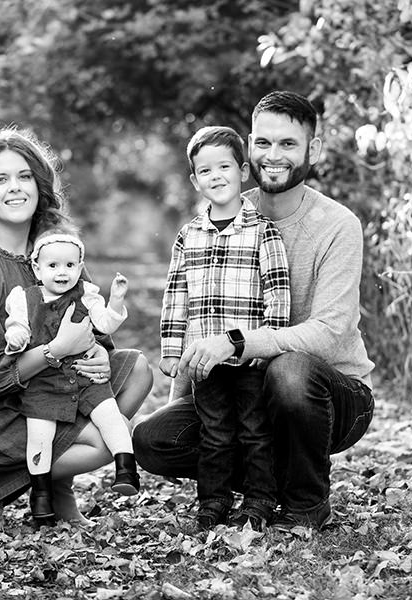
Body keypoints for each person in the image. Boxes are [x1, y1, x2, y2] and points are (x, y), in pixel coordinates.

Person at [134, 90, 375, 532]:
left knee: (290, 371)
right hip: (235, 389)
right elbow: (199, 305)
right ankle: (265, 486)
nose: (274, 155)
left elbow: (330, 331)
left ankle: (305, 504)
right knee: (154, 439)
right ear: (249, 147)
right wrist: (188, 386)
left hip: (328, 398)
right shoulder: (224, 211)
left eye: (288, 144)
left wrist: (238, 343)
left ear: (313, 150)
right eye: (263, 143)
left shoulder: (337, 225)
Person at [0, 126, 152, 525]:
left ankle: (53, 486)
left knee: (139, 372)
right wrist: (56, 351)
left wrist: (96, 353)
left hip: (45, 388)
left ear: (40, 185)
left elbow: (90, 323)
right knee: (102, 444)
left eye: (24, 176)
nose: (15, 188)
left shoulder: (55, 251)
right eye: (0, 179)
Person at [159, 126, 290, 530]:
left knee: (255, 431)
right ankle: (212, 501)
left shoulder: (262, 231)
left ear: (244, 171)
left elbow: (278, 292)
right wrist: (170, 349)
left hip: (248, 361)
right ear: (195, 181)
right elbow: (175, 293)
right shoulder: (189, 235)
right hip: (204, 362)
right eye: (205, 170)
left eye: (224, 167)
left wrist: (268, 345)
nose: (216, 176)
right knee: (214, 433)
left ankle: (259, 500)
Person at [4, 226, 140, 520]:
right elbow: (18, 326)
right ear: (37, 269)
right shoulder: (24, 299)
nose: (62, 272)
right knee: (39, 436)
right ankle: (40, 497)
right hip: (45, 383)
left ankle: (126, 468)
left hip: (84, 376)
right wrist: (15, 337)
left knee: (111, 416)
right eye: (53, 266)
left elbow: (104, 324)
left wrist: (116, 300)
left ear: (80, 268)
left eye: (69, 265)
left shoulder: (86, 295)